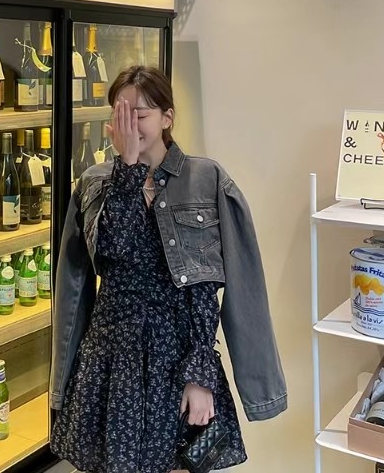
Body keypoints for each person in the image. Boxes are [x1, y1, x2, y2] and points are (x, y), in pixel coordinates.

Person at [50, 66, 287, 473]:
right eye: (120, 114)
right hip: (111, 361)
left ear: (167, 117)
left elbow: (211, 289)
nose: (129, 125)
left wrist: (200, 374)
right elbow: (105, 260)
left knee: (179, 462)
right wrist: (127, 170)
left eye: (140, 114)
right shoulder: (95, 183)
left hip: (178, 359)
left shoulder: (206, 179)